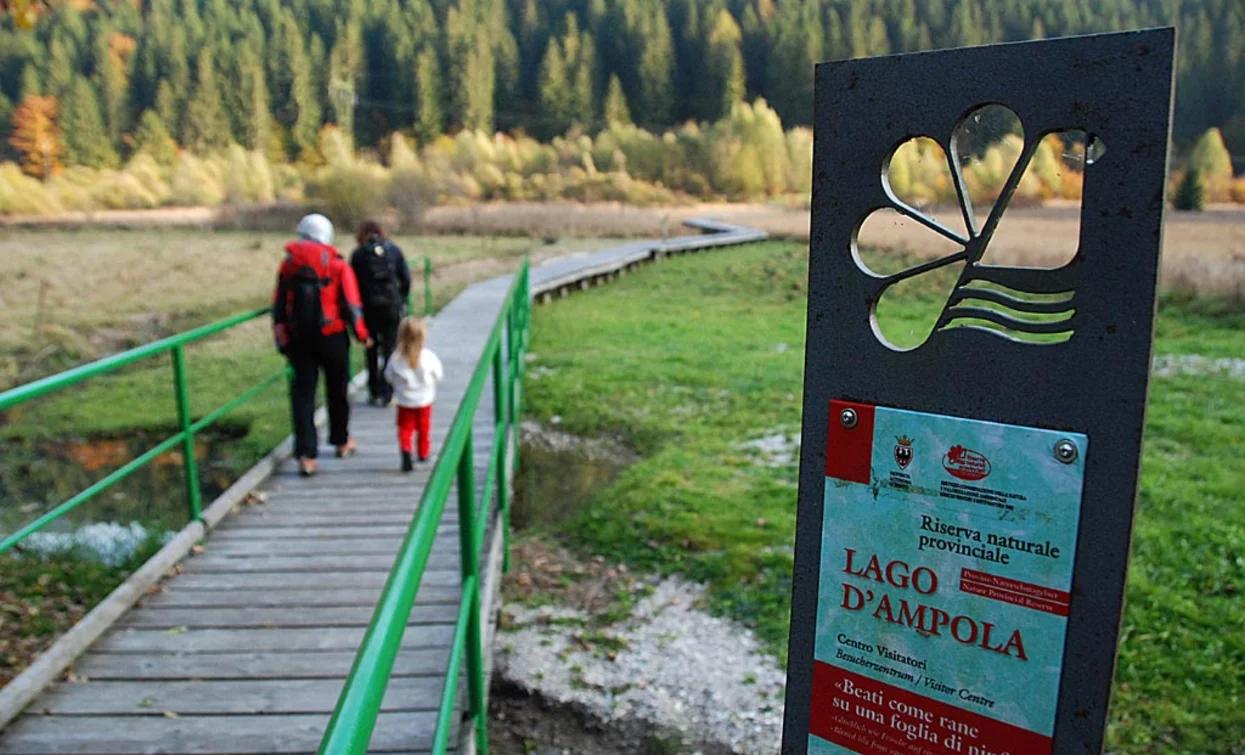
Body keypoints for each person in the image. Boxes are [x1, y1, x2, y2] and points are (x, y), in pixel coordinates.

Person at [272, 213, 372, 478]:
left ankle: (306, 456)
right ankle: (341, 441)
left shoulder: (288, 264)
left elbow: (279, 304)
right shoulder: (337, 264)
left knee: (303, 394)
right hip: (333, 335)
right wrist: (363, 335)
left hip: (299, 338)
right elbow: (352, 305)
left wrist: (280, 335)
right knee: (337, 389)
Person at [350, 220, 411, 406]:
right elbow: (405, 278)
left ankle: (373, 390)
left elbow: (351, 283)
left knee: (371, 349)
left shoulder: (358, 254)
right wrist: (402, 299)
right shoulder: (393, 250)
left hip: (368, 309)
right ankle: (388, 391)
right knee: (390, 349)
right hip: (391, 307)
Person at [384, 317, 443, 472]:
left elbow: (388, 376)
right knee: (424, 427)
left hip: (404, 401)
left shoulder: (396, 358)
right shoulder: (428, 356)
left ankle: (406, 450)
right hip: (424, 400)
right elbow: (439, 374)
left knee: (405, 428)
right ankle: (423, 453)